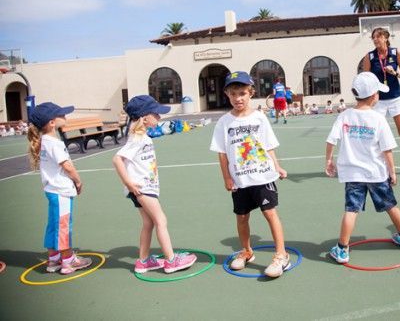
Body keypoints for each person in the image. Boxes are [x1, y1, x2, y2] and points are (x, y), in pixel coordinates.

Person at [325, 72, 400, 264]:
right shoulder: (378, 119)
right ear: (374, 96)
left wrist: (328, 161)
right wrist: (393, 171)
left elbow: (331, 140)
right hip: (377, 173)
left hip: (353, 174)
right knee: (391, 205)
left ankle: (342, 249)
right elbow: (387, 149)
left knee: (351, 210)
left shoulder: (345, 115)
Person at [211, 71, 290, 278]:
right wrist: (227, 178)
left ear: (251, 93)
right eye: (234, 93)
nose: (238, 98)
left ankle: (281, 254)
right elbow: (221, 153)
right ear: (227, 94)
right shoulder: (223, 123)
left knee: (270, 213)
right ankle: (246, 251)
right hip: (240, 179)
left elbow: (269, 146)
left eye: (243, 93)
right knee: (242, 217)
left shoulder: (259, 118)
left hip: (263, 175)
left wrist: (278, 166)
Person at [113, 95, 197, 274]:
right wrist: (129, 183)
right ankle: (171, 260)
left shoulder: (142, 136)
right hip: (142, 188)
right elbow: (117, 159)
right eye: (156, 114)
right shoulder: (137, 138)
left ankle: (143, 261)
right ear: (144, 117)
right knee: (161, 220)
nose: (159, 117)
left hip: (143, 187)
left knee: (148, 223)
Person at [27, 102, 92, 275]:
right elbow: (67, 166)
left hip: (52, 190)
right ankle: (68, 262)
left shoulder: (45, 141)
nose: (65, 117)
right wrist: (78, 181)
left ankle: (54, 259)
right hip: (61, 191)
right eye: (61, 115)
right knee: (63, 226)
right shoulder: (54, 142)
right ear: (51, 122)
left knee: (54, 225)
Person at [363, 27, 400, 176]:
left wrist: (395, 73)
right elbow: (365, 79)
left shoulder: (396, 53)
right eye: (373, 37)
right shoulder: (369, 57)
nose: (375, 39)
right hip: (378, 101)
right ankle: (377, 166)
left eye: (378, 36)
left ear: (386, 38)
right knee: (376, 134)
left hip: (395, 98)